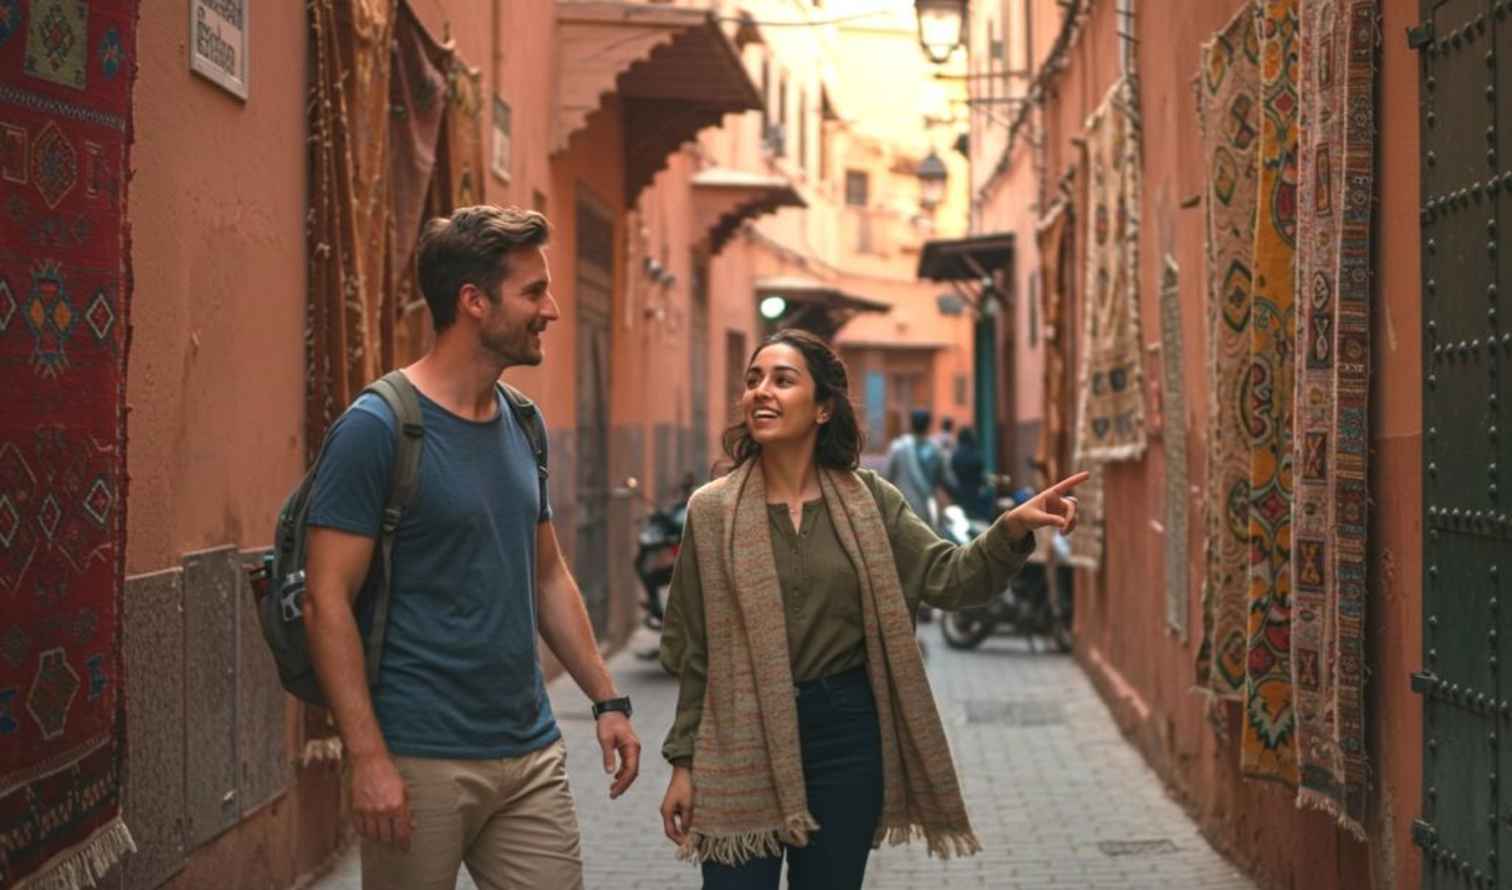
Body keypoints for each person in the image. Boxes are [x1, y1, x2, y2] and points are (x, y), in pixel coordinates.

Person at [656, 329, 1087, 890]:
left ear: (822, 408)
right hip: (740, 734)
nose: (761, 391)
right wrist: (683, 763)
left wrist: (1011, 529)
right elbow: (697, 651)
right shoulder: (710, 512)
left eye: (783, 380)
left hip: (845, 734)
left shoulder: (870, 500)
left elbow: (947, 577)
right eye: (753, 379)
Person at [304, 205, 641, 890]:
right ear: (474, 302)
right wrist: (367, 757)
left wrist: (607, 700)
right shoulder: (377, 427)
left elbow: (547, 575)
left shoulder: (523, 421)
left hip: (529, 751)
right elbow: (324, 600)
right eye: (533, 292)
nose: (550, 310)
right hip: (418, 757)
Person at [883, 408, 950, 527]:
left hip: (902, 508)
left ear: (911, 424)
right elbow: (945, 478)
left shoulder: (898, 447)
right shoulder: (937, 449)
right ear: (929, 425)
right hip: (927, 509)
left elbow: (886, 477)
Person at [948, 426, 991, 521]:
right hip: (975, 492)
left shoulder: (956, 454)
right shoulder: (975, 453)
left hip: (960, 492)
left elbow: (952, 471)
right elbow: (980, 472)